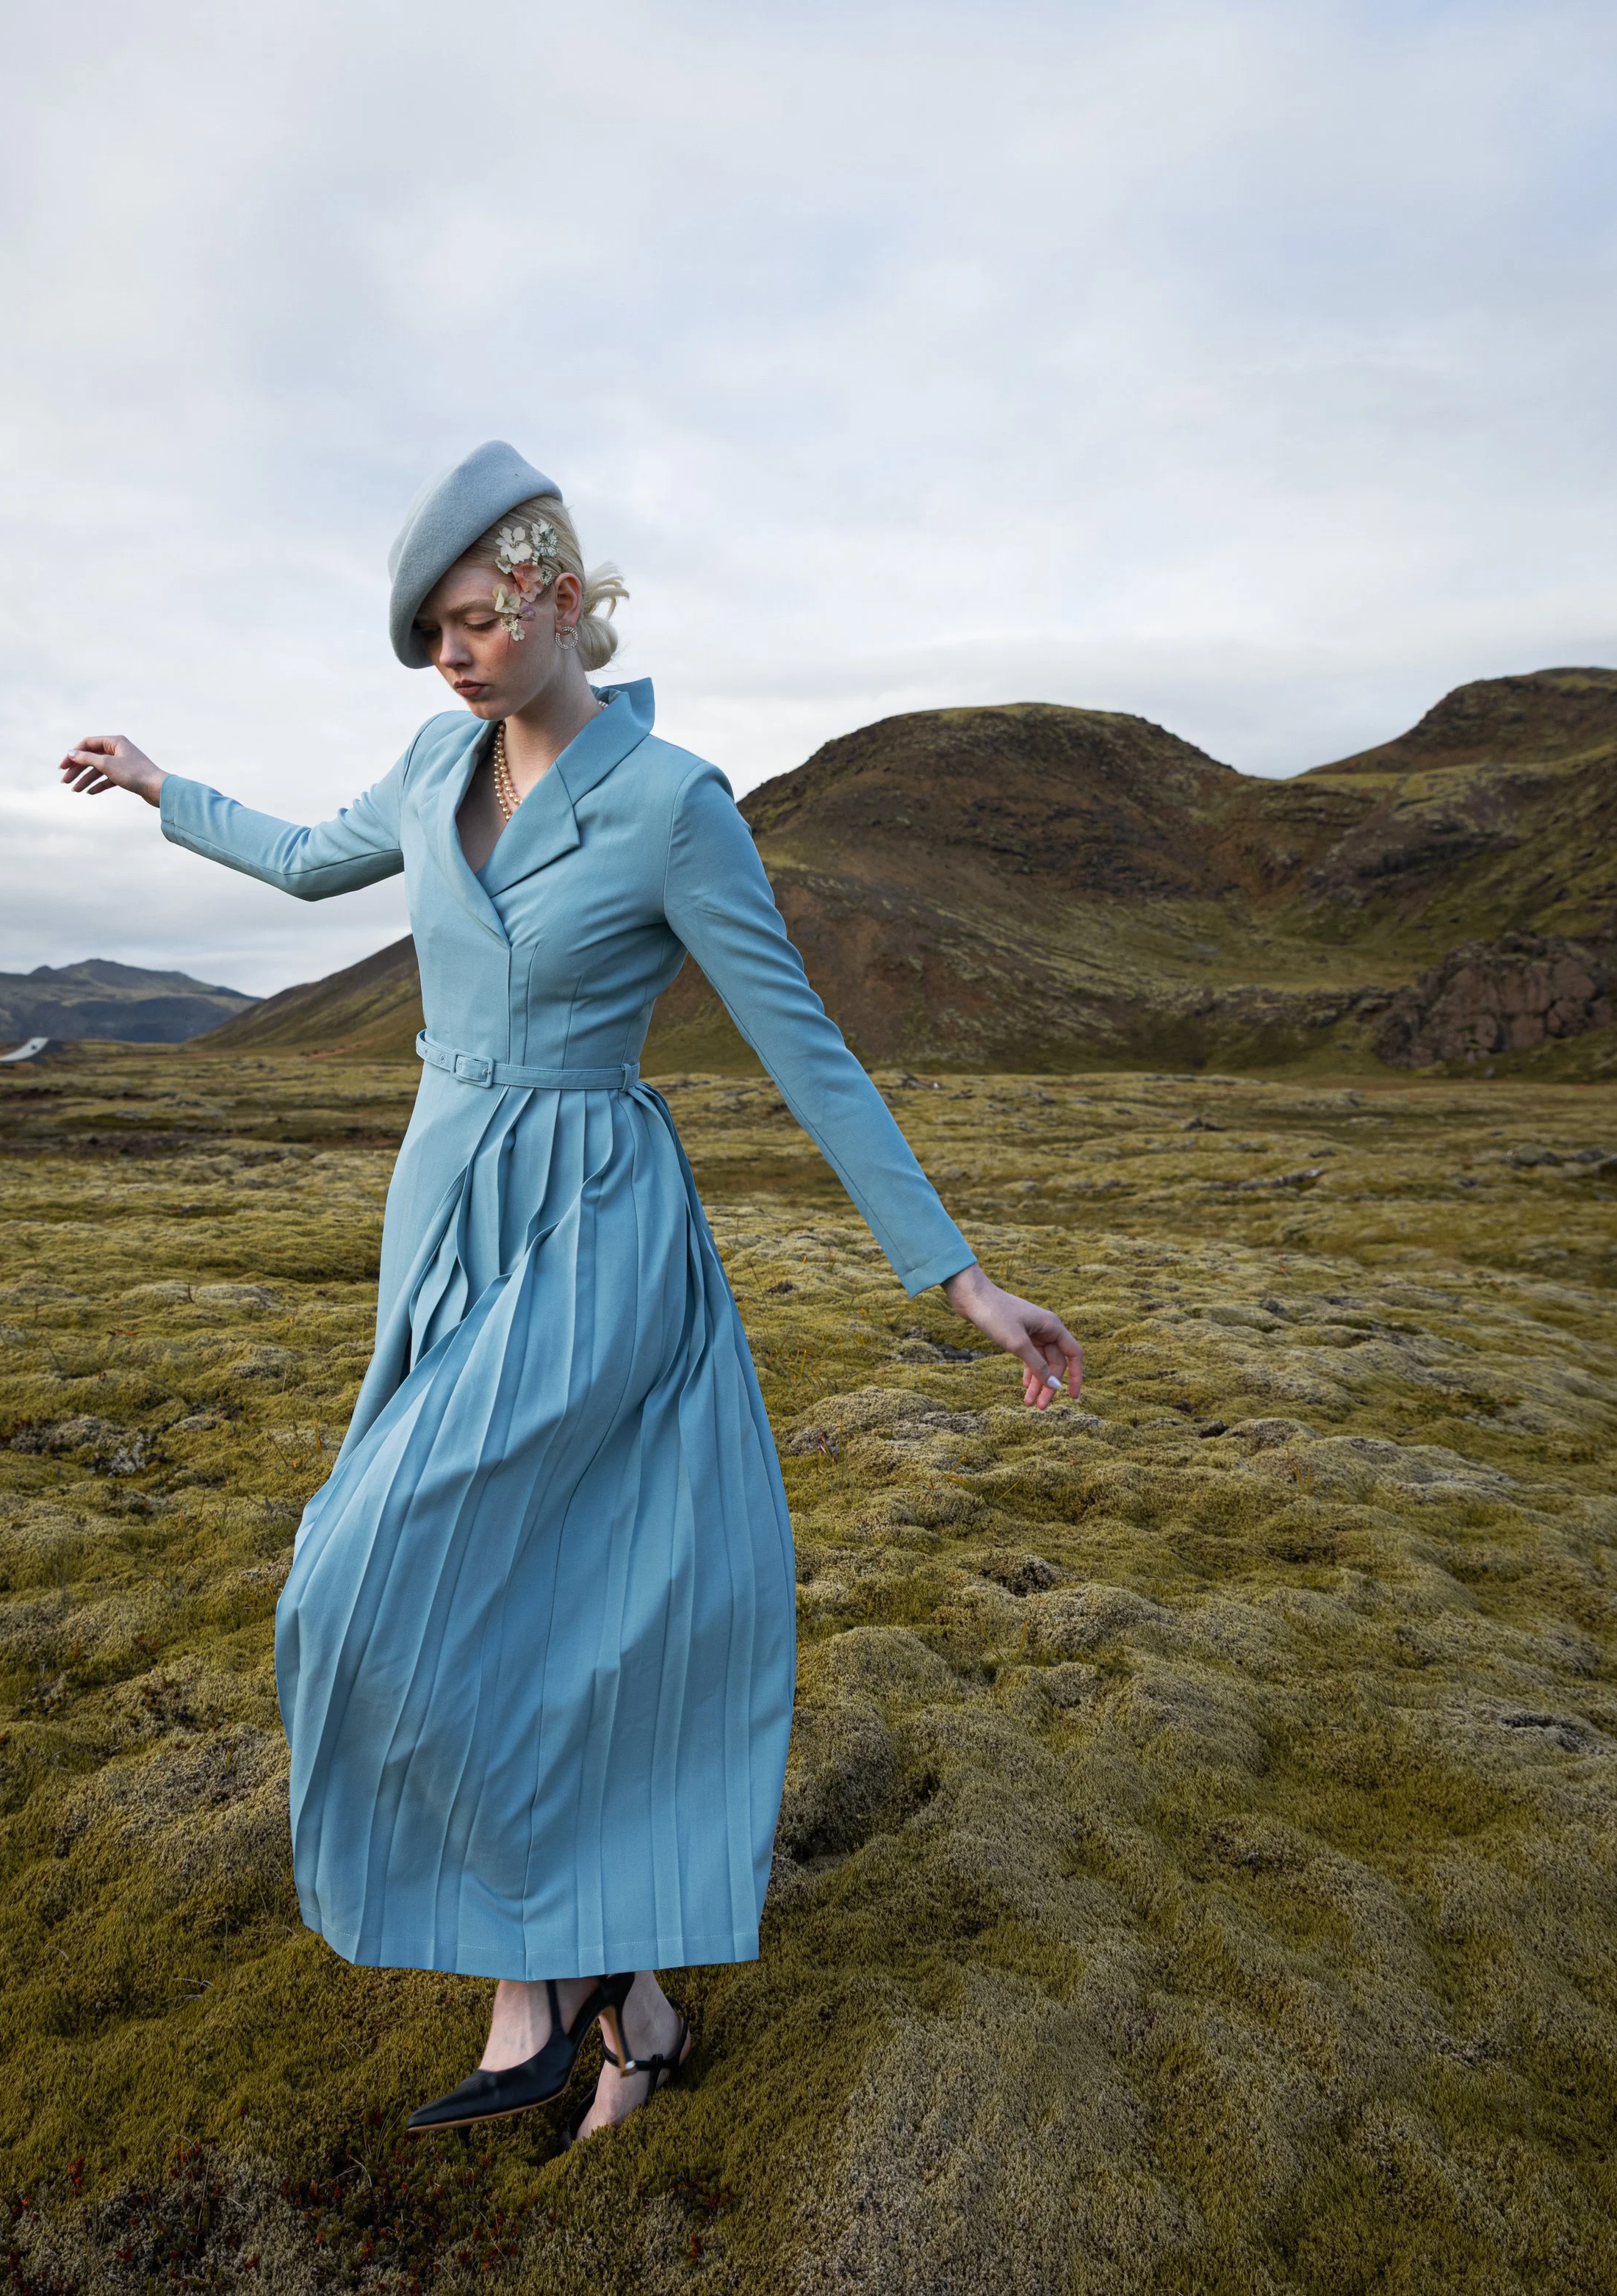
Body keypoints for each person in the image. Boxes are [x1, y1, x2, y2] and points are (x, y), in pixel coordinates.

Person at [58, 441, 1083, 2143]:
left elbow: (805, 1046)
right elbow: (313, 860)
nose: (453, 657)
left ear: (552, 592)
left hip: (589, 1227)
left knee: (402, 1577)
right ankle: (606, 2001)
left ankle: (552, 1995)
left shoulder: (671, 800)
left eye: (472, 621)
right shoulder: (429, 764)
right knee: (447, 1601)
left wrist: (955, 1277)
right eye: (431, 636)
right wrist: (166, 784)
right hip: (440, 1209)